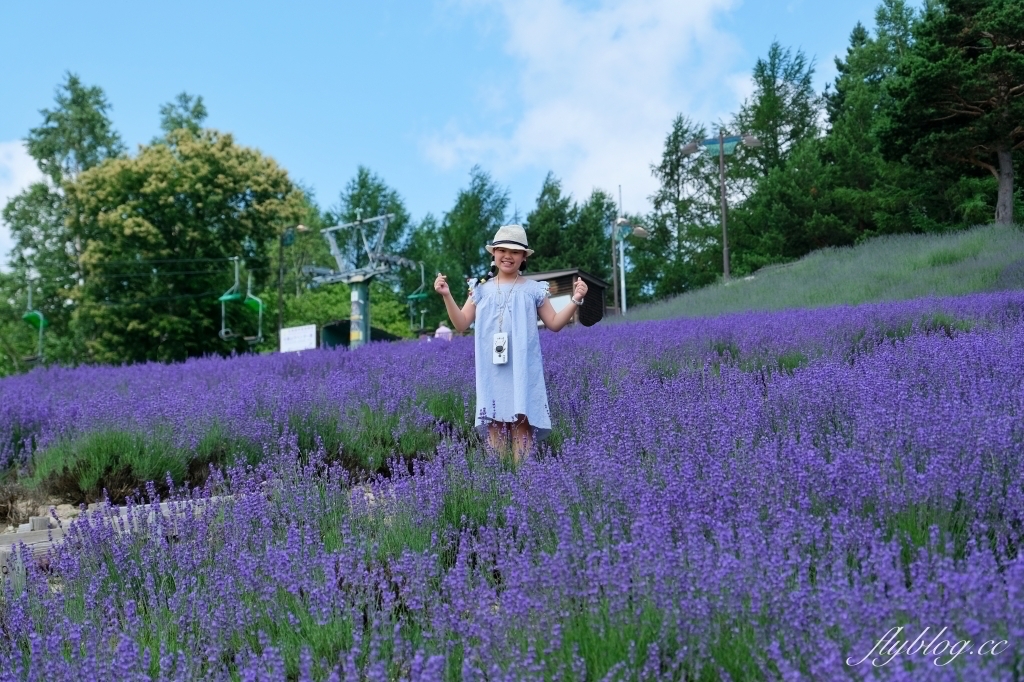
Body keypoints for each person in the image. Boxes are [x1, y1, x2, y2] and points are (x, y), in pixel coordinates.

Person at [434, 224, 588, 465]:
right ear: (493, 254)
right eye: (502, 250)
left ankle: (523, 482)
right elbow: (462, 323)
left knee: (522, 421)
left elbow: (555, 323)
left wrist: (575, 299)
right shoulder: (480, 289)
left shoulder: (533, 289)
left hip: (523, 366)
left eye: (515, 251)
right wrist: (446, 295)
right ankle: (499, 484)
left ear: (524, 256)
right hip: (492, 367)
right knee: (494, 422)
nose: (508, 256)